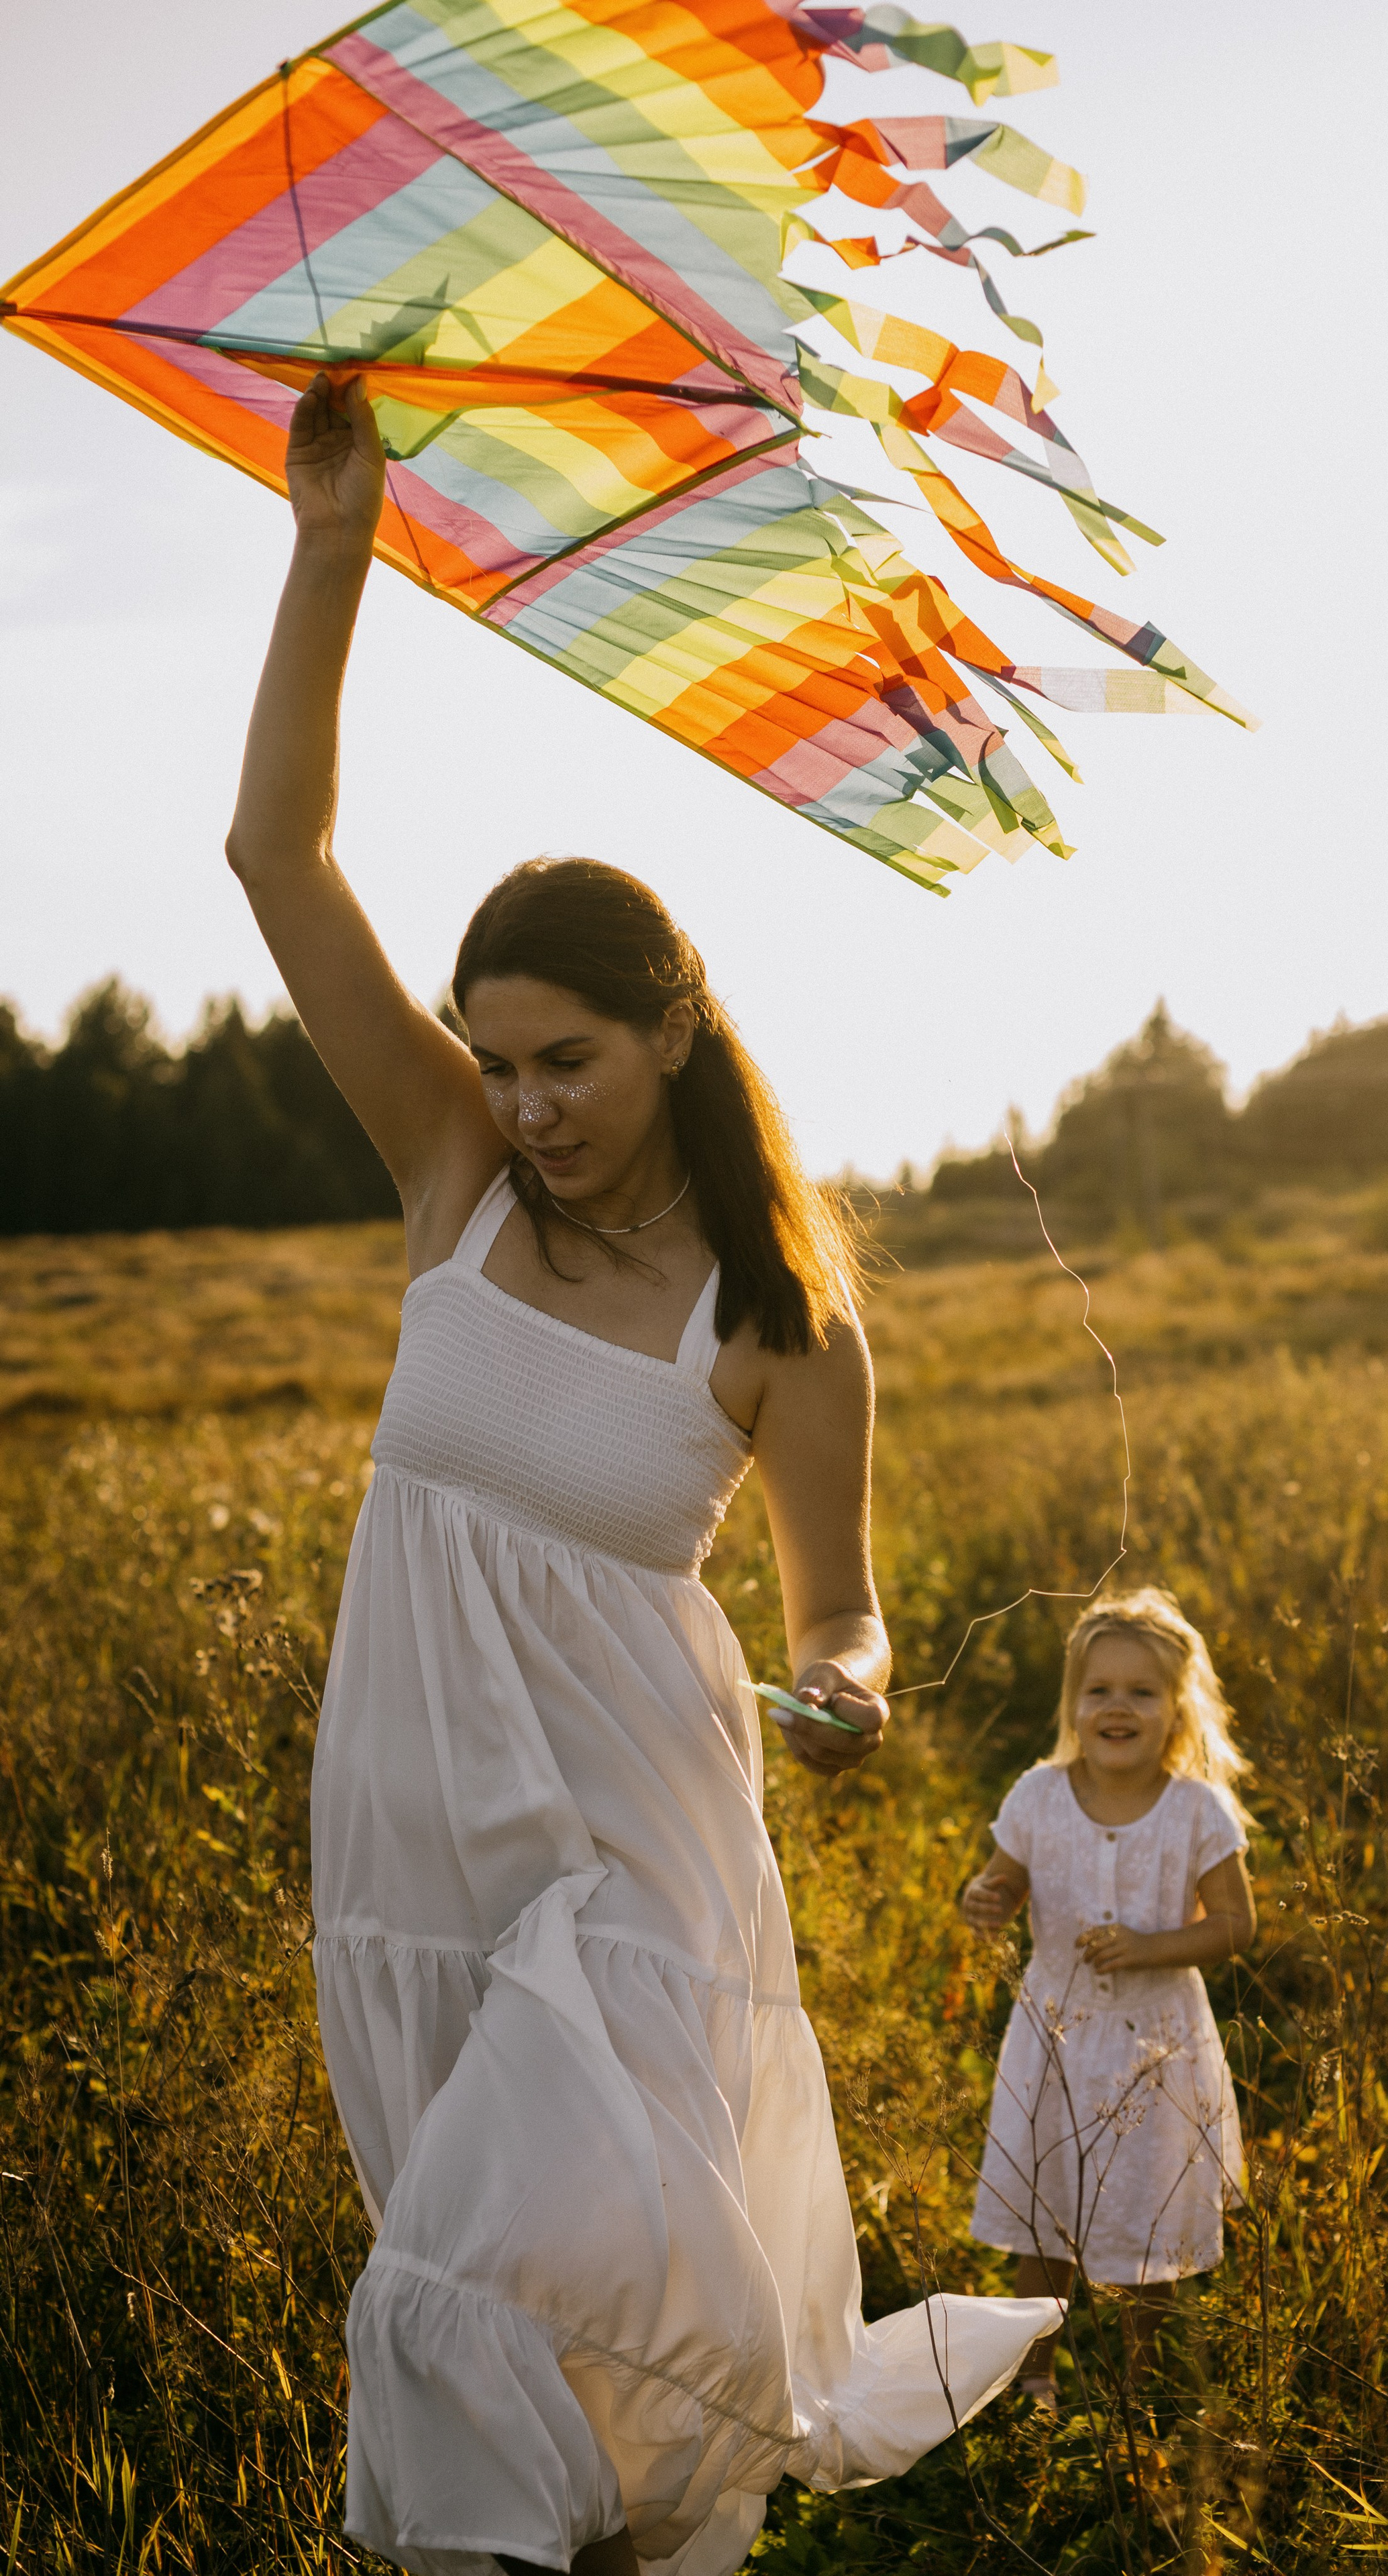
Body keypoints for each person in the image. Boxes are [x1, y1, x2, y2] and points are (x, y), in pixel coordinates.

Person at [227, 372, 1057, 2576]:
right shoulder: (455, 1184)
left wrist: (853, 1683)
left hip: (632, 1846)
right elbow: (277, 861)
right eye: (496, 1062)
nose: (526, 1105)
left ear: (674, 1029)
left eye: (568, 1061)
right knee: (514, 2246)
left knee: (482, 2265)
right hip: (417, 1817)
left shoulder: (780, 1322)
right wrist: (332, 552)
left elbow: (838, 1605)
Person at [959, 1590, 1257, 2408]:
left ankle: (1136, 2384)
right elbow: (1002, 1881)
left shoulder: (1196, 1810)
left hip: (1155, 2045)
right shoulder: (1037, 1796)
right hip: (1054, 2037)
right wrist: (985, 1899)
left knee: (1146, 2217)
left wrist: (1150, 1946)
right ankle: (1034, 2375)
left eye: (1141, 1692)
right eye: (1099, 1690)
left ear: (1177, 1710)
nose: (1117, 1707)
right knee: (1044, 2211)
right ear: (1072, 1704)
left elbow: (1237, 1925)